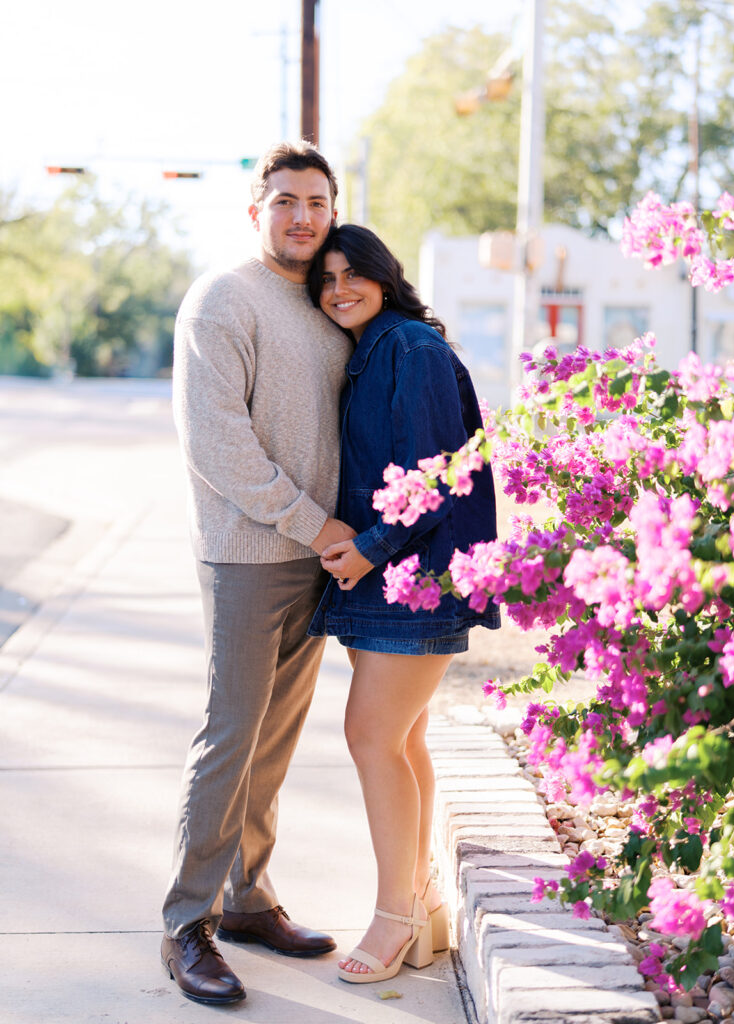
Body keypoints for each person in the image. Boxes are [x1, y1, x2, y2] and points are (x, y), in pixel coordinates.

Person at [160, 141, 356, 1006]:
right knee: (231, 735)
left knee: (273, 741)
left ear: (333, 211)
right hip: (247, 555)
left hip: (316, 558)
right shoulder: (222, 300)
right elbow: (218, 446)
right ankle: (186, 922)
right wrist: (317, 525)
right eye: (285, 200)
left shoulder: (328, 303)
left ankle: (247, 900)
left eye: (316, 202)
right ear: (255, 211)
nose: (302, 216)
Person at [306, 224, 500, 984]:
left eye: (352, 274)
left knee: (370, 736)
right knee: (402, 739)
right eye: (325, 280)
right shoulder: (373, 352)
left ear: (383, 277)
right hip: (387, 579)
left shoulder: (410, 349)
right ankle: (424, 907)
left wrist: (369, 547)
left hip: (413, 577)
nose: (339, 290)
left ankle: (394, 914)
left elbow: (436, 474)